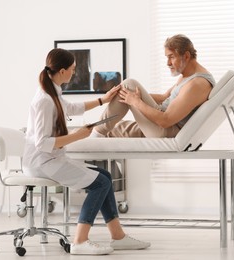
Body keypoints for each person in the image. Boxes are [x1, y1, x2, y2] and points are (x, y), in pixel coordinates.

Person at [22, 48, 150, 255]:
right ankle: (80, 241)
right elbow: (42, 143)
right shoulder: (44, 100)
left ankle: (118, 237)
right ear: (62, 71)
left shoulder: (53, 92)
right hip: (42, 163)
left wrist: (104, 100)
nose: (74, 73)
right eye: (72, 69)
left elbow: (72, 109)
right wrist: (79, 135)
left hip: (51, 158)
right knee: (100, 184)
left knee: (105, 176)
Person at [91, 34, 216, 138]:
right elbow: (163, 97)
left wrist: (136, 102)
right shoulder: (187, 76)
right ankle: (93, 133)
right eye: (167, 58)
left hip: (165, 130)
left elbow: (165, 120)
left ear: (187, 56)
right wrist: (135, 97)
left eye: (171, 57)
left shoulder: (197, 84)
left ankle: (96, 134)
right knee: (116, 127)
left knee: (129, 84)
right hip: (158, 121)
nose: (168, 63)